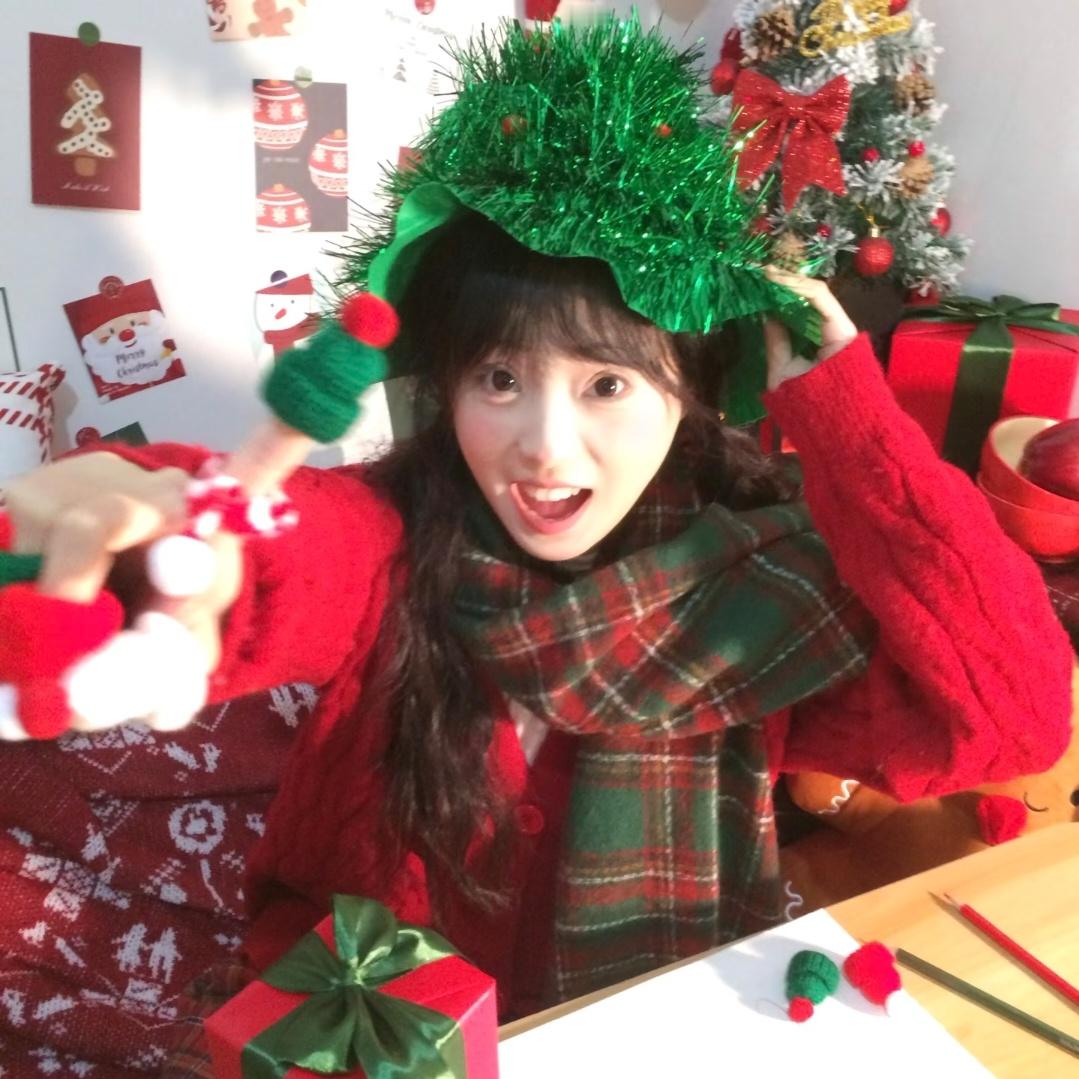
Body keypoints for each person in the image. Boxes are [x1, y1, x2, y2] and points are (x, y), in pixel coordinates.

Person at [0, 13, 1072, 1068]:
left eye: (606, 384)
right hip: (370, 1027)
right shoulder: (391, 535)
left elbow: (1012, 719)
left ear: (690, 393)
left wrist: (849, 418)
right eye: (500, 378)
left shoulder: (762, 596)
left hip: (641, 1035)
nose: (543, 447)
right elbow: (266, 553)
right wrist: (142, 534)